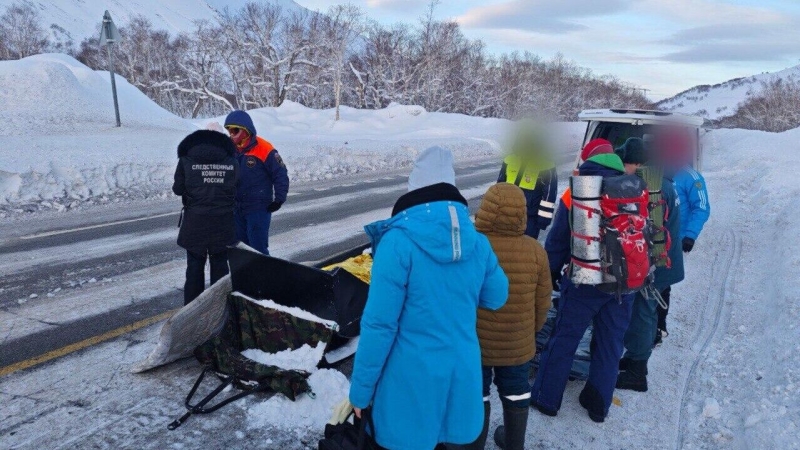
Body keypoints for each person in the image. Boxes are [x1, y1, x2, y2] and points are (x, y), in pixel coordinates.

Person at [349, 146, 509, 450]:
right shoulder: (476, 242)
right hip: (460, 377)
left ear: (414, 188)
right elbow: (497, 296)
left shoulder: (398, 242)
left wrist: (361, 392)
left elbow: (380, 326)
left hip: (409, 383)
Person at [530, 138, 635, 423]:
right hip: (625, 281)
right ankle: (598, 405)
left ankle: (546, 399)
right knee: (611, 342)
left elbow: (557, 240)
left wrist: (550, 273)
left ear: (587, 159)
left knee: (564, 338)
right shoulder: (634, 188)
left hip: (585, 280)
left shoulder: (578, 190)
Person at [471, 183, 552, 450]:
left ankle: (474, 443)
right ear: (522, 213)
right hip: (517, 343)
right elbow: (543, 302)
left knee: (477, 395)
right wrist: (530, 333)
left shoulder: (471, 247)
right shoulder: (535, 251)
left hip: (476, 344)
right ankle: (514, 443)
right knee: (517, 393)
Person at [616, 142, 684, 391]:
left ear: (637, 163)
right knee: (647, 312)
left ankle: (637, 372)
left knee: (643, 314)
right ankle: (634, 358)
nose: (625, 169)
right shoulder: (664, 180)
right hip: (668, 261)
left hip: (657, 264)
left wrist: (644, 268)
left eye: (627, 164)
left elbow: (650, 233)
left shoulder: (652, 187)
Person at [172, 124, 238, 305]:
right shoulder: (232, 160)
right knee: (220, 270)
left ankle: (192, 312)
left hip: (195, 222)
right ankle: (220, 311)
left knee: (194, 269)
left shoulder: (186, 158)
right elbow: (237, 187)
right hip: (223, 223)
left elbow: (178, 189)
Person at [655, 138, 710, 344]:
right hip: (654, 237)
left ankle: (660, 327)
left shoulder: (692, 177)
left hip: (676, 241)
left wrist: (690, 236)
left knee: (664, 283)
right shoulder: (655, 172)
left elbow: (702, 208)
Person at [224, 110, 289, 255]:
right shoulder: (229, 149)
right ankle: (246, 277)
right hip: (236, 207)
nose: (231, 134)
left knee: (258, 248)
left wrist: (279, 199)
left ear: (246, 129)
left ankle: (264, 277)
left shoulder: (264, 148)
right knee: (241, 248)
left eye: (235, 130)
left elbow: (280, 173)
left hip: (258, 208)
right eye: (229, 130)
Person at [497, 123, 558, 239]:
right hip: (506, 215)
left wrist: (543, 220)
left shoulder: (546, 164)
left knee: (525, 253)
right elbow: (498, 188)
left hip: (530, 218)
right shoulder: (509, 160)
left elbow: (549, 195)